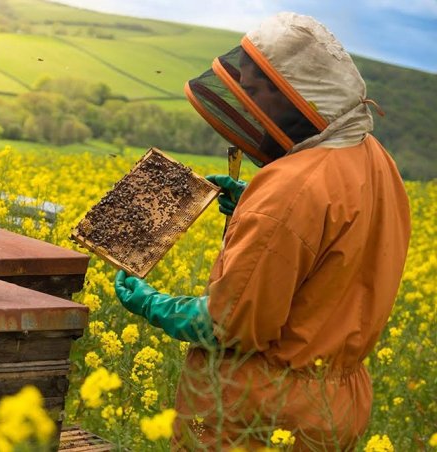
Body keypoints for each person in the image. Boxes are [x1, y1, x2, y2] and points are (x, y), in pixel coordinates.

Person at [114, 12, 411, 450]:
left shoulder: (292, 188)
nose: (246, 103)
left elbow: (230, 325)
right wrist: (250, 213)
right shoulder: (375, 161)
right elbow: (327, 259)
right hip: (331, 408)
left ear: (292, 95)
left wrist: (152, 304)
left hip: (256, 416)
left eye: (253, 91)